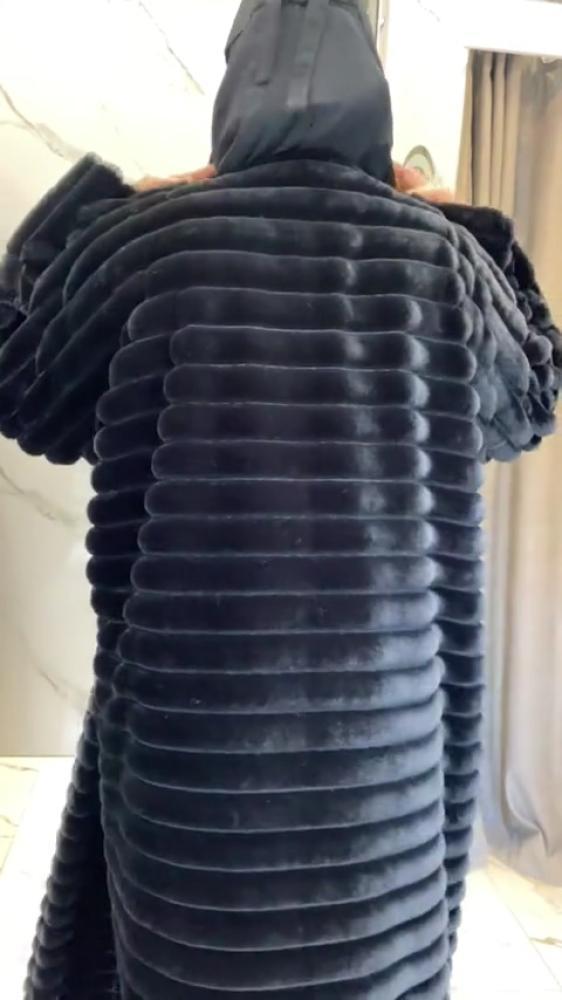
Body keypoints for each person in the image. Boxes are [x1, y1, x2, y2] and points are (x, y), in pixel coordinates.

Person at [0, 1, 559, 998]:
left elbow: (18, 382)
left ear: (235, 91)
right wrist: (456, 213)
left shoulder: (149, 246)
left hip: (192, 773)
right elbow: (536, 396)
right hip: (383, 777)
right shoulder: (439, 264)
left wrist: (102, 200)